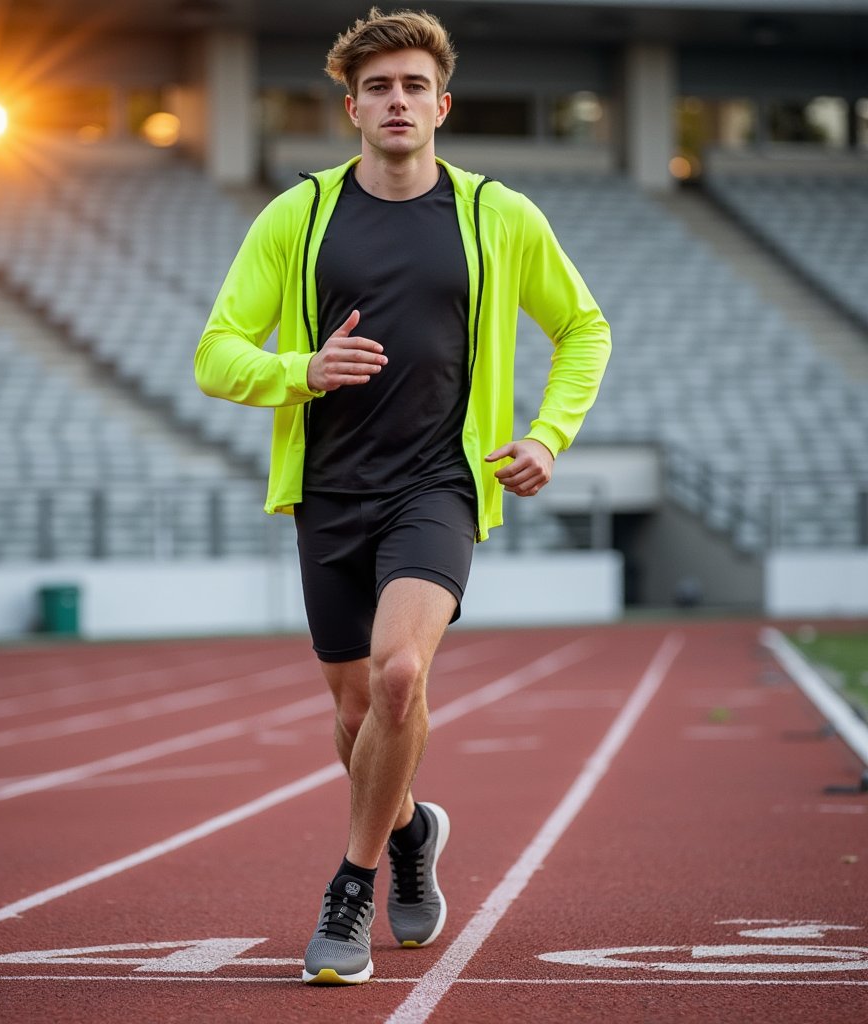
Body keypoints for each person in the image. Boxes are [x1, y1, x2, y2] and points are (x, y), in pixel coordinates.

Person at [195, 7, 611, 986]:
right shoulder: (295, 216)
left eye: (414, 85)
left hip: (437, 487)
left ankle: (351, 883)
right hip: (327, 492)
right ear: (351, 107)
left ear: (442, 105)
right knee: (353, 711)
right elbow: (215, 353)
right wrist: (302, 367)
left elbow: (583, 329)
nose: (397, 101)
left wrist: (548, 435)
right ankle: (414, 825)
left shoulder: (494, 214)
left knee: (396, 679)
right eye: (378, 87)